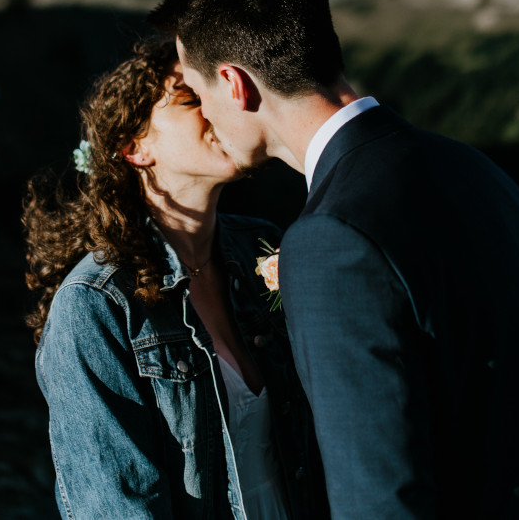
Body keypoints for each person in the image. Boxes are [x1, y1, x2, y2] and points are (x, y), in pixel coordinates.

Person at [149, 0, 519, 520]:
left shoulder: (330, 240)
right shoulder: (479, 172)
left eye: (199, 92)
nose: (203, 113)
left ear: (235, 84)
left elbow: (378, 499)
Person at [23, 36, 328, 520]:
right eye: (192, 100)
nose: (219, 110)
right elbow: (116, 506)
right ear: (134, 146)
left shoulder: (264, 250)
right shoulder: (96, 306)